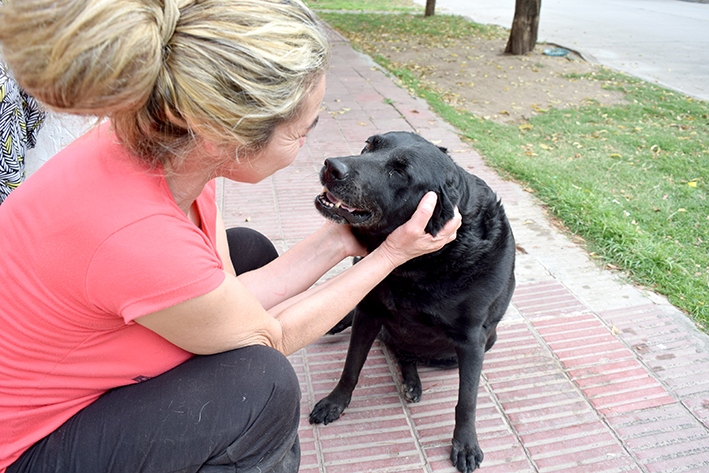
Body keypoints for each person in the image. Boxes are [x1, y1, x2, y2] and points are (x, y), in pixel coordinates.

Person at [0, 0, 461, 472]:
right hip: (25, 446)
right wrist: (388, 256)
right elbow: (271, 338)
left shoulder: (168, 143)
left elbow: (235, 294)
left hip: (73, 360)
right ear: (223, 135)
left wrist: (343, 240)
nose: (307, 145)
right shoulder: (140, 235)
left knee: (248, 251)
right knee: (264, 387)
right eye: (299, 132)